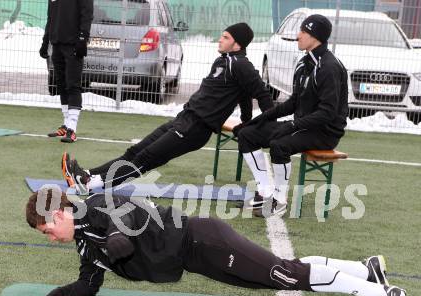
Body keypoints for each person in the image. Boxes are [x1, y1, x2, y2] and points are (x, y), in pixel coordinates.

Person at [26, 188, 406, 296]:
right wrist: (61, 294)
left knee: (285, 275)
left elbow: (136, 211)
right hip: (199, 260)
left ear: (59, 214)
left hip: (203, 239)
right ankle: (364, 269)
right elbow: (90, 284)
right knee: (276, 273)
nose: (50, 237)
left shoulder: (99, 205)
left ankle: (379, 295)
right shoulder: (85, 246)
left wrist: (115, 236)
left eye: (47, 230)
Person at [60, 23, 274, 194]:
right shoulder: (223, 61)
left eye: (226, 37)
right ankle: (86, 175)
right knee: (134, 152)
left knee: (144, 160)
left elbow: (262, 94)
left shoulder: (242, 65)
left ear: (237, 44)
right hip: (184, 119)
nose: (220, 39)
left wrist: (262, 125)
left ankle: (90, 185)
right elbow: (245, 96)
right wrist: (246, 119)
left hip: (195, 130)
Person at [234, 14, 348, 217]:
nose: (298, 35)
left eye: (303, 31)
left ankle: (279, 201)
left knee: (280, 145)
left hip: (325, 132)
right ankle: (265, 192)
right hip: (303, 126)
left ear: (316, 36)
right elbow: (294, 102)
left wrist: (293, 125)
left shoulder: (329, 67)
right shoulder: (304, 63)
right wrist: (261, 118)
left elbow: (327, 113)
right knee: (247, 134)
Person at [39, 0, 94, 143]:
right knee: (61, 85)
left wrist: (83, 38)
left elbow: (87, 13)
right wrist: (45, 42)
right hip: (57, 43)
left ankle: (72, 129)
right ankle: (66, 124)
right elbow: (51, 18)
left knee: (72, 85)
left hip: (73, 45)